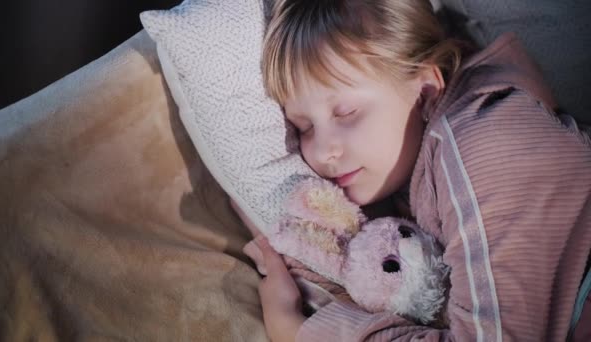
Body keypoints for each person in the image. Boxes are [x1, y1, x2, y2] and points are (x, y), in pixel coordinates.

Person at [235, 0, 591, 340]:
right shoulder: (417, 169)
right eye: (304, 128)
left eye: (345, 113)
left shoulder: (483, 143)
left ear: (424, 88)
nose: (324, 151)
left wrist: (300, 331)